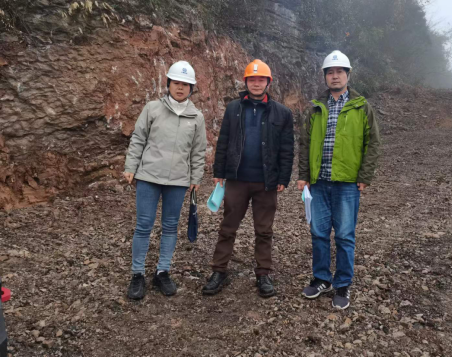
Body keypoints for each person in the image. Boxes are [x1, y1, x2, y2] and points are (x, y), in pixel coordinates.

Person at [202, 59, 294, 298]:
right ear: (245, 82)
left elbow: (287, 148)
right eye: (252, 79)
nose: (256, 83)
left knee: (264, 230)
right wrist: (219, 172)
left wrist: (283, 177)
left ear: (268, 82)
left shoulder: (282, 113)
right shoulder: (233, 108)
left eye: (261, 79)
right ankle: (219, 271)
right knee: (227, 227)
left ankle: (263, 274)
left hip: (266, 181)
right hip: (237, 179)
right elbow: (223, 140)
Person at [297, 50, 381, 310]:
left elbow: (372, 144)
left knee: (344, 235)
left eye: (339, 72)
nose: (335, 76)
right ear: (325, 76)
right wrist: (303, 175)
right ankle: (322, 279)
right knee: (318, 233)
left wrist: (365, 175)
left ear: (348, 75)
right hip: (319, 182)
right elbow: (305, 143)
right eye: (330, 72)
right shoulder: (315, 108)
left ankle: (343, 283)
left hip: (347, 183)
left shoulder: (362, 107)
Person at [123, 60, 207, 300]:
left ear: (191, 88)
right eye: (176, 83)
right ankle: (137, 274)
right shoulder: (152, 109)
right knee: (144, 225)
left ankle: (163, 271)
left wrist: (196, 177)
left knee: (170, 226)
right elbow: (138, 138)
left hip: (178, 181)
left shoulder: (196, 117)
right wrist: (130, 166)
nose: (180, 88)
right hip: (148, 176)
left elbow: (198, 151)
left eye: (185, 84)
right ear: (168, 83)